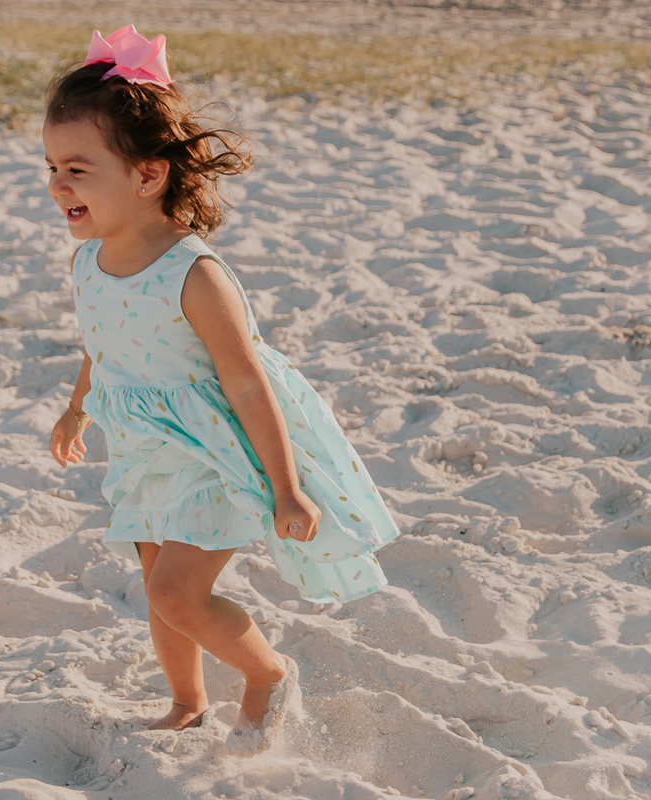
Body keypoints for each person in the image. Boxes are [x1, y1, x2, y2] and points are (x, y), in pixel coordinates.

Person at [46, 25, 400, 756]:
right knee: (157, 586)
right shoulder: (89, 262)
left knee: (177, 592)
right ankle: (187, 701)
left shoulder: (194, 274)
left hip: (213, 451)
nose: (58, 185)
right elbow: (101, 344)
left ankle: (268, 674)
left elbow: (246, 382)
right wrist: (76, 408)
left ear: (148, 175)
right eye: (51, 167)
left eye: (77, 169)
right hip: (143, 448)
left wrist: (286, 487)